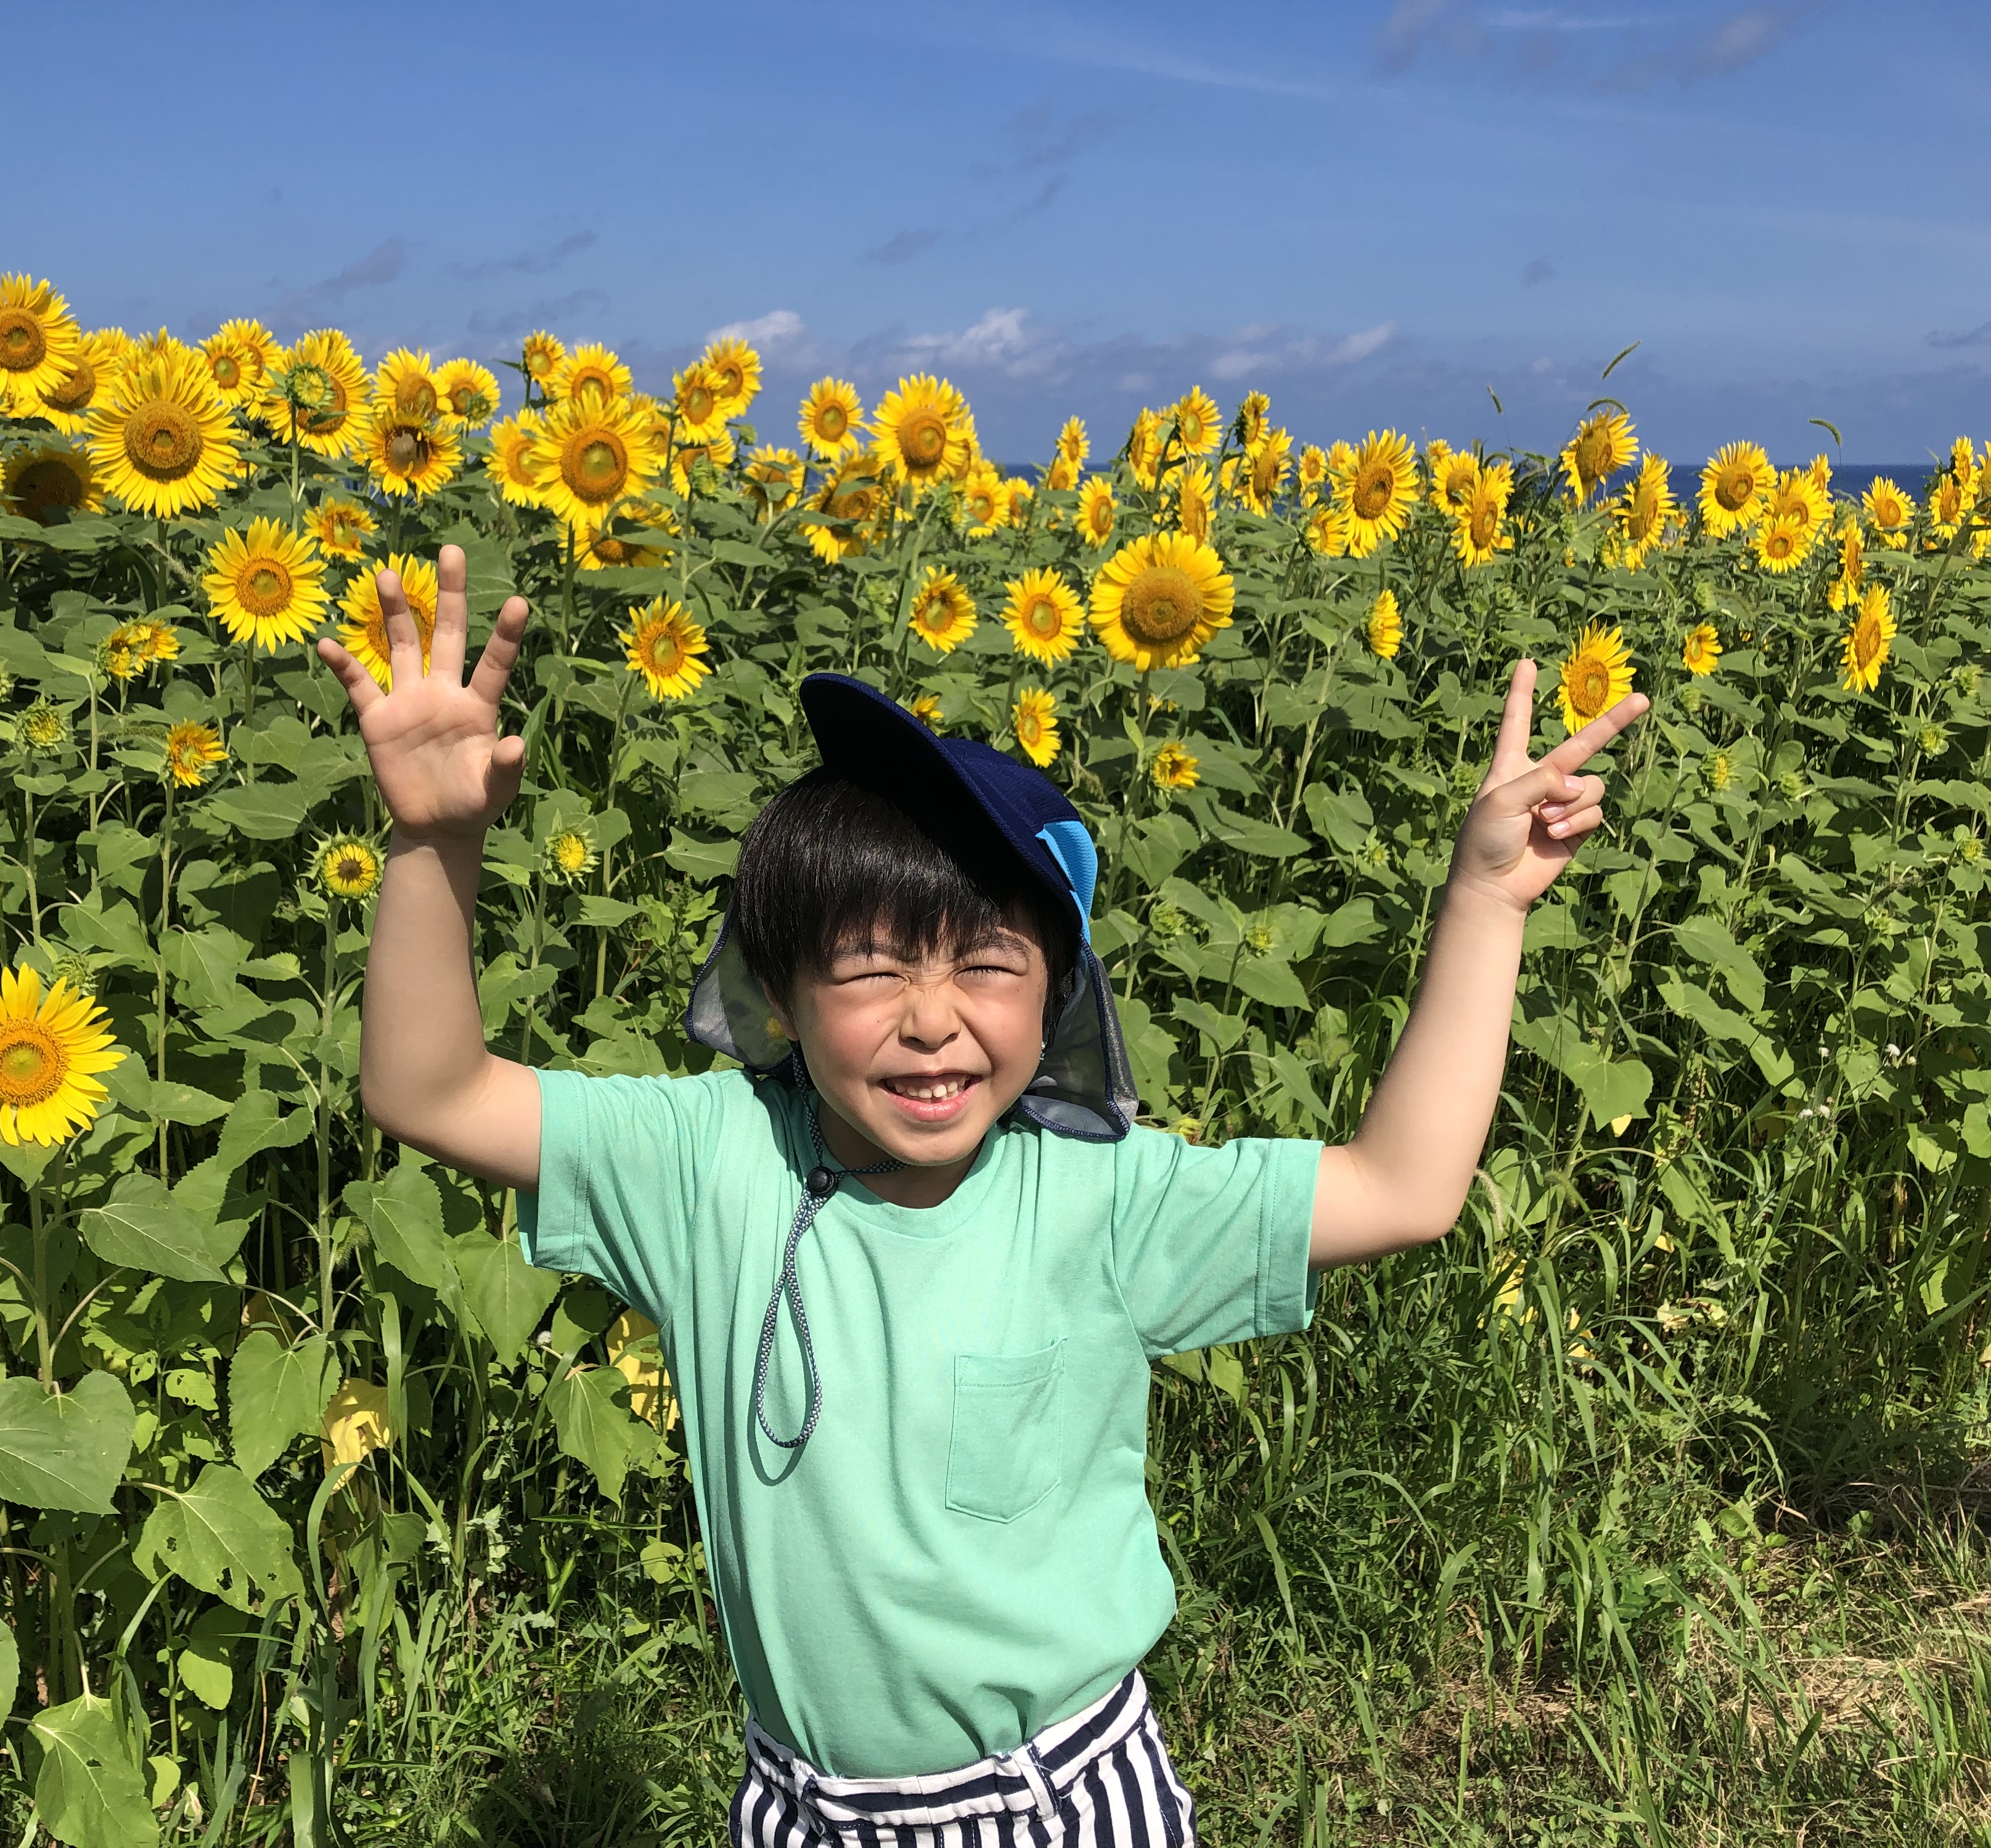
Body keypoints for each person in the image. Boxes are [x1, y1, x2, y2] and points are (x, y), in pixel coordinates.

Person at [317, 546, 1648, 1846]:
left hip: (1058, 1796)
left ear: (1059, 995)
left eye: (990, 965)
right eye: (872, 968)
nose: (933, 1022)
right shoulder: (709, 1161)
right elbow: (429, 1091)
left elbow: (1402, 1189)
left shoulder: (1102, 1201)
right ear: (776, 992)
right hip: (803, 1805)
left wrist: (1485, 901)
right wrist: (430, 847)